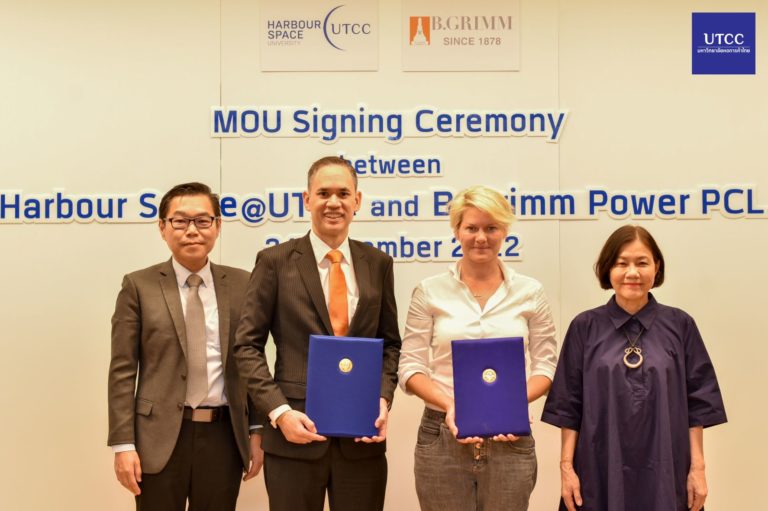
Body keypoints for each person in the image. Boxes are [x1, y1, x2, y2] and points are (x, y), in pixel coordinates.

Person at [234, 156, 401, 511]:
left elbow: (390, 345)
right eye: (323, 193)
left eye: (343, 193)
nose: (333, 202)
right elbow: (246, 346)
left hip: (362, 438)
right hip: (293, 435)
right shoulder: (274, 261)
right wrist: (279, 412)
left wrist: (383, 398)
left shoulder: (378, 263)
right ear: (307, 200)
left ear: (357, 201)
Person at [542, 225, 727, 511]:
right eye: (621, 263)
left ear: (657, 267)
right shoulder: (585, 327)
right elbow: (568, 406)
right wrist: (567, 469)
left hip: (669, 468)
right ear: (608, 269)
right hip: (598, 469)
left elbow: (699, 405)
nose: (632, 273)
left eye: (642, 263)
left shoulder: (680, 325)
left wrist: (698, 469)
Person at [398, 185, 558, 511]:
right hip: (442, 436)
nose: (481, 237)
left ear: (505, 231)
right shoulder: (429, 291)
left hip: (511, 439)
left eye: (491, 228)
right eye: (471, 228)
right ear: (457, 230)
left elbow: (547, 366)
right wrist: (451, 404)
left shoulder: (530, 292)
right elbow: (410, 367)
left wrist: (511, 404)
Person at [108, 182, 263, 510]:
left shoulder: (243, 283)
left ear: (217, 226)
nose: (192, 230)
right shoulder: (138, 286)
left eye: (203, 220)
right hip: (157, 437)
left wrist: (257, 429)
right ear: (162, 227)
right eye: (180, 221)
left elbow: (253, 359)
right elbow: (122, 370)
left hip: (224, 436)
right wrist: (123, 444)